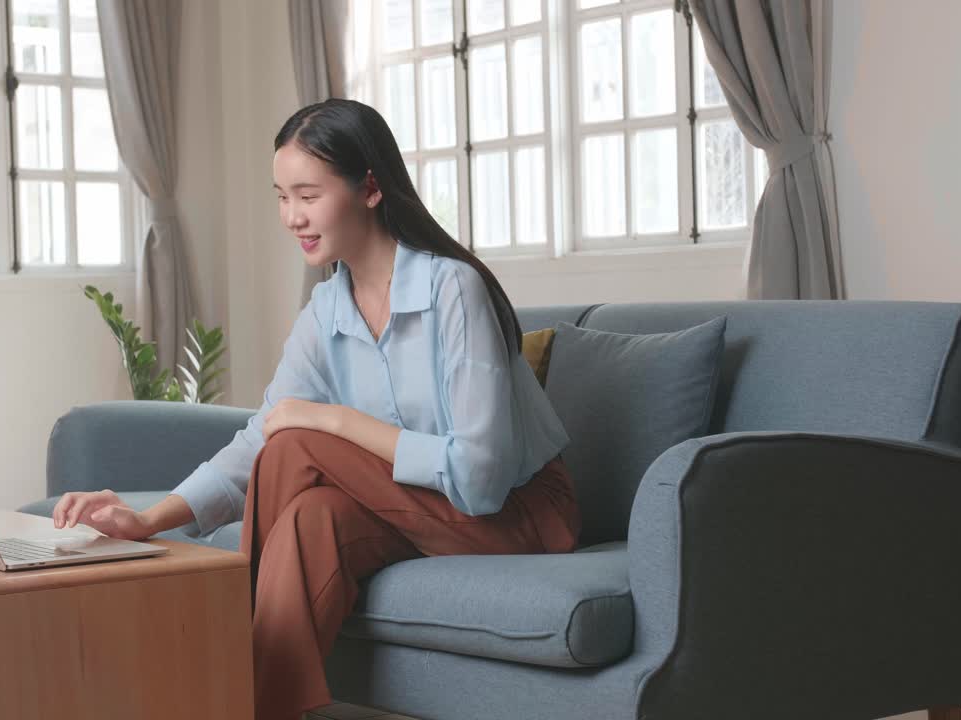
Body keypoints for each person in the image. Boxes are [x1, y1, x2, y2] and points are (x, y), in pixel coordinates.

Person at [49, 98, 580, 720]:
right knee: (310, 520)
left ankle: (213, 674)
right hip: (419, 510)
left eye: (307, 194)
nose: (291, 217)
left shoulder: (450, 289)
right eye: (281, 197)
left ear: (371, 188)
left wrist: (332, 420)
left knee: (298, 443)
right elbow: (258, 438)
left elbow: (480, 480)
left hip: (519, 515)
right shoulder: (327, 310)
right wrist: (150, 520)